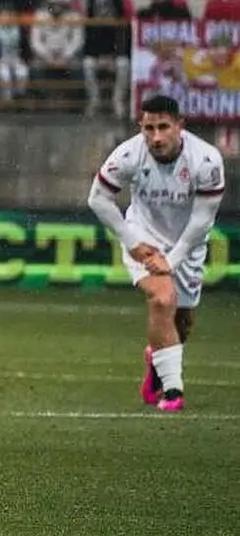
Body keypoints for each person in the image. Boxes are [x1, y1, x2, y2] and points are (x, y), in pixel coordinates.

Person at [87, 95, 224, 413]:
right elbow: (98, 199)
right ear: (141, 127)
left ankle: (156, 357)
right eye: (149, 128)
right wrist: (131, 241)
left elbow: (202, 219)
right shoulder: (128, 153)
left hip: (187, 244)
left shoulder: (206, 160)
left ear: (180, 126)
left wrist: (174, 258)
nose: (156, 136)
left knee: (183, 322)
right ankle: (173, 391)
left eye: (164, 127)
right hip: (143, 239)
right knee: (162, 299)